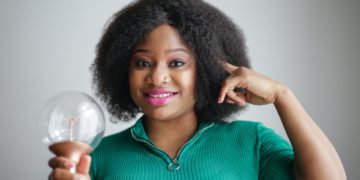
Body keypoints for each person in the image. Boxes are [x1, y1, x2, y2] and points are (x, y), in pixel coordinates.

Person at [48, 0, 346, 179]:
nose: (157, 77)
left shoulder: (251, 142)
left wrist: (282, 95)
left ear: (205, 70)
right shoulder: (97, 157)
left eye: (176, 63)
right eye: (142, 62)